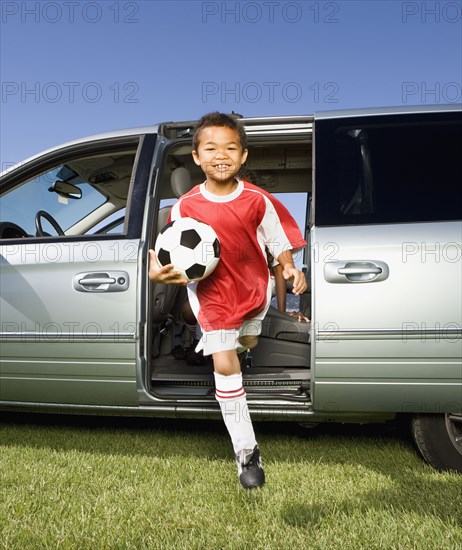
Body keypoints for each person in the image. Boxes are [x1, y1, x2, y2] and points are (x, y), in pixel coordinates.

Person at [148, 112, 307, 489]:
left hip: (253, 292)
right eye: (211, 148)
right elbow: (166, 253)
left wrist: (287, 267)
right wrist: (157, 272)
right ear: (197, 156)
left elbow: (277, 240)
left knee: (247, 341)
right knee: (224, 361)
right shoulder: (185, 207)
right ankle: (247, 453)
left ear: (244, 155)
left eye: (230, 148)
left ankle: (245, 344)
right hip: (213, 297)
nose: (221, 155)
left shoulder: (256, 199)